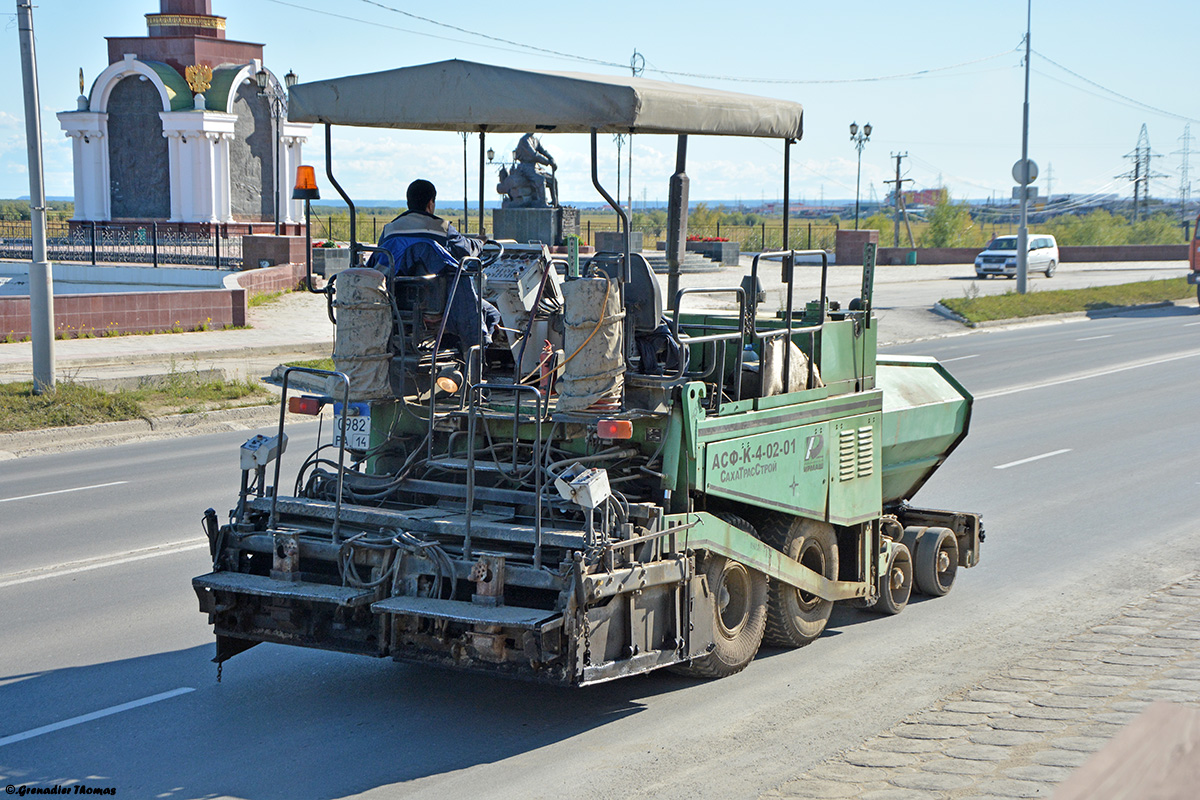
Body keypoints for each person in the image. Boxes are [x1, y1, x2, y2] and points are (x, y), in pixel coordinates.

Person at [371, 179, 500, 347]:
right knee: (491, 313)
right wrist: (480, 242)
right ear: (431, 203)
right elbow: (467, 250)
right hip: (438, 305)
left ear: (408, 202)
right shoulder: (441, 228)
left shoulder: (390, 230)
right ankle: (475, 362)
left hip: (397, 305)